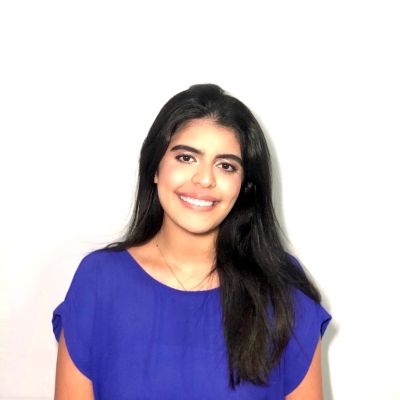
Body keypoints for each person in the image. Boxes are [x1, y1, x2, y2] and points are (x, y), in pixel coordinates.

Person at [52, 83, 332, 399]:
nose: (204, 179)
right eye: (186, 157)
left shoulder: (282, 290)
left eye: (226, 166)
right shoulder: (100, 281)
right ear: (155, 168)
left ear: (245, 185)